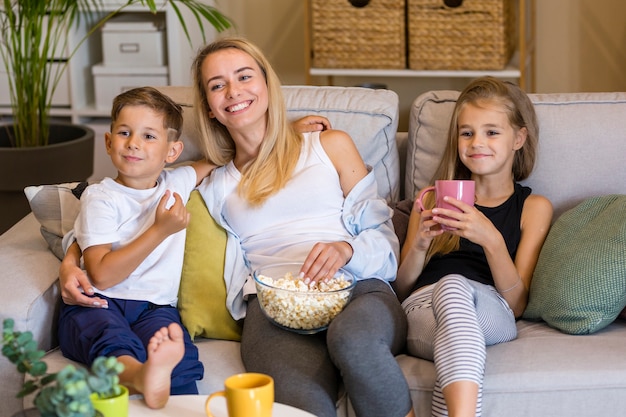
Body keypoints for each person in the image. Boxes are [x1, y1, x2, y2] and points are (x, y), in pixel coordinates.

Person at [191, 37, 414, 417]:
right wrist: (76, 252)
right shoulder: (214, 183)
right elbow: (131, 193)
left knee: (353, 341)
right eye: (217, 85)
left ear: (266, 85)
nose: (234, 91)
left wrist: (347, 250)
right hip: (275, 309)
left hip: (359, 289)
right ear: (210, 108)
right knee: (302, 407)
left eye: (244, 76)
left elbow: (386, 245)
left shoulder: (329, 146)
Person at [393, 77, 553, 417]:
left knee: (455, 289)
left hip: (492, 309)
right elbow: (403, 289)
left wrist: (491, 239)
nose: (477, 142)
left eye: (492, 132)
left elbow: (517, 304)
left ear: (519, 138)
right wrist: (419, 244)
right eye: (467, 133)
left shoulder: (533, 207)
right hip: (424, 311)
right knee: (450, 290)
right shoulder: (433, 198)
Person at [57, 86, 215, 409]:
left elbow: (216, 161)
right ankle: (141, 376)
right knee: (108, 337)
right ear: (108, 141)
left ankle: (171, 391)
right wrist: (160, 230)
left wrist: (287, 133)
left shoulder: (177, 182)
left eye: (149, 136)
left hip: (155, 307)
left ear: (172, 152)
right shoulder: (101, 197)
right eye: (125, 133)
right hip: (100, 300)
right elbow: (100, 274)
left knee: (178, 352)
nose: (133, 143)